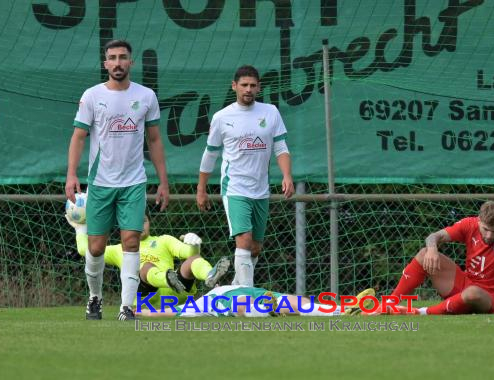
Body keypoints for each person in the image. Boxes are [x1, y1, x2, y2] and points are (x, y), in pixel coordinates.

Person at [65, 39, 169, 321]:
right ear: (105, 64)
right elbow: (78, 137)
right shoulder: (92, 95)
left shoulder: (146, 96)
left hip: (134, 183)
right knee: (96, 247)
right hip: (100, 184)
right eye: (112, 58)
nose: (118, 62)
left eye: (123, 57)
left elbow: (155, 139)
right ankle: (95, 298)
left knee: (131, 242)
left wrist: (163, 181)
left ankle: (127, 306)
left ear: (131, 62)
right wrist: (71, 174)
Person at [197, 65, 294, 288]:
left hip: (261, 189)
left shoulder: (270, 112)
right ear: (234, 86)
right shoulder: (222, 117)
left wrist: (287, 175)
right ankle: (247, 300)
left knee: (255, 247)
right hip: (235, 188)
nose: (248, 89)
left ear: (259, 87)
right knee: (244, 240)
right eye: (244, 85)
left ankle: (234, 289)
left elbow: (281, 148)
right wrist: (201, 189)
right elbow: (210, 154)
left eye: (252, 85)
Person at [365, 201, 494, 316]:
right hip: (465, 283)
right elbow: (433, 236)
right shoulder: (469, 224)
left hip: (488, 298)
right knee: (423, 254)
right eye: (486, 229)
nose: (489, 235)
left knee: (472, 293)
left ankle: (421, 312)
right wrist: (432, 249)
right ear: (479, 220)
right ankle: (387, 304)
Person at [66, 213, 231, 308]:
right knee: (144, 267)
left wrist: (193, 244)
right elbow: (85, 250)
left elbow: (187, 252)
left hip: (177, 294)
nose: (141, 224)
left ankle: (210, 275)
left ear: (149, 223)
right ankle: (167, 279)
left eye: (143, 220)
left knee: (194, 259)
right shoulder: (119, 249)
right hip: (146, 299)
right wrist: (81, 229)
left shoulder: (163, 240)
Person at [137, 284, 360, 318]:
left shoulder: (229, 285)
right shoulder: (201, 304)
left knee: (297, 301)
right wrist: (139, 312)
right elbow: (168, 311)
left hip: (260, 293)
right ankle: (265, 309)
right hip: (248, 302)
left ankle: (341, 310)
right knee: (243, 302)